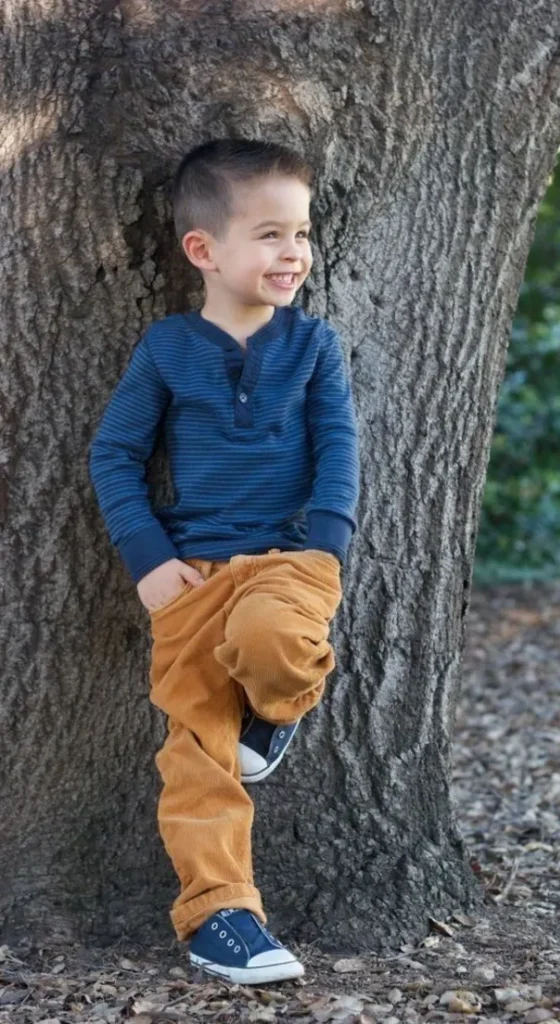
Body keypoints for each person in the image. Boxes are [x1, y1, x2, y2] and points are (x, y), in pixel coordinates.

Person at [89, 138, 360, 985]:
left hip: (287, 560)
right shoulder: (168, 350)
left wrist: (326, 543)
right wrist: (148, 561)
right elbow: (114, 455)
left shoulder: (313, 346)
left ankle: (277, 711)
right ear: (203, 250)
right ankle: (222, 915)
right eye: (271, 235)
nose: (295, 253)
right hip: (191, 575)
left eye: (302, 234)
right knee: (195, 757)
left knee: (275, 639)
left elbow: (339, 447)